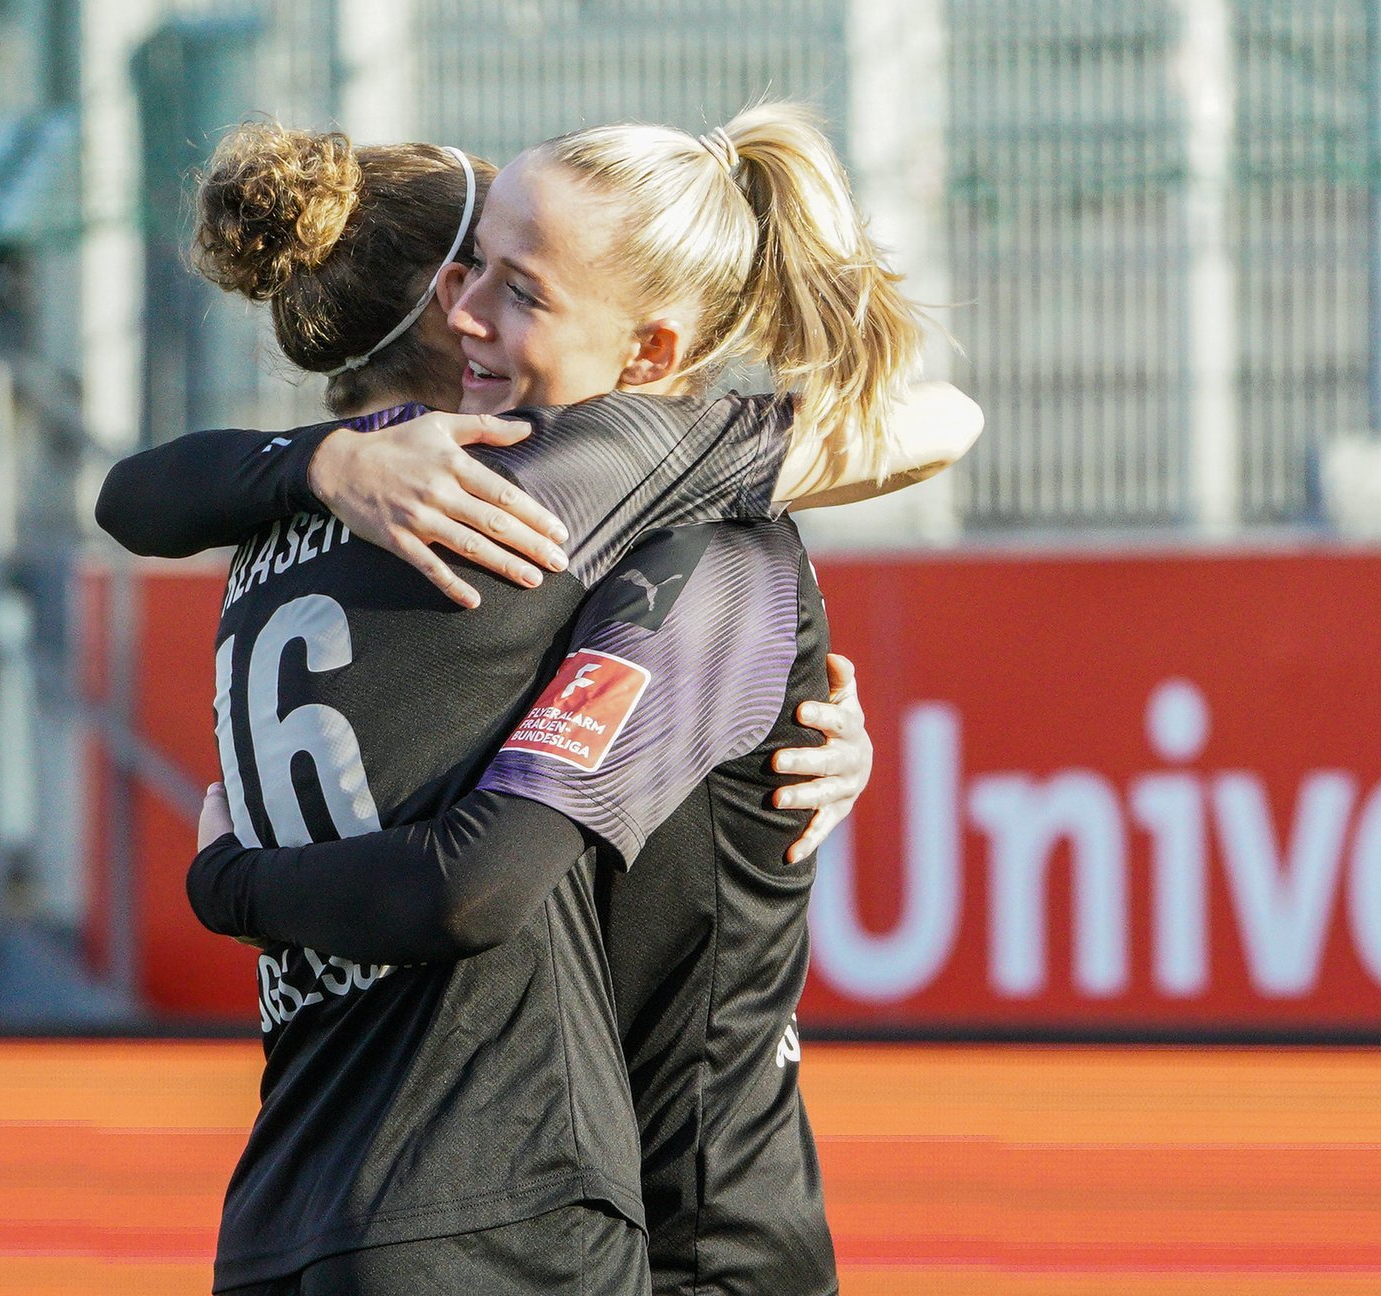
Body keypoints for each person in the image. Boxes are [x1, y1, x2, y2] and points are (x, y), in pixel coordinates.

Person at [100, 106, 976, 1295]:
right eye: (472, 277)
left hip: (305, 1209)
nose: (475, 315)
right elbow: (480, 881)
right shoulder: (633, 514)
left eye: (515, 289)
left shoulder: (279, 528)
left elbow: (131, 499)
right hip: (608, 1215)